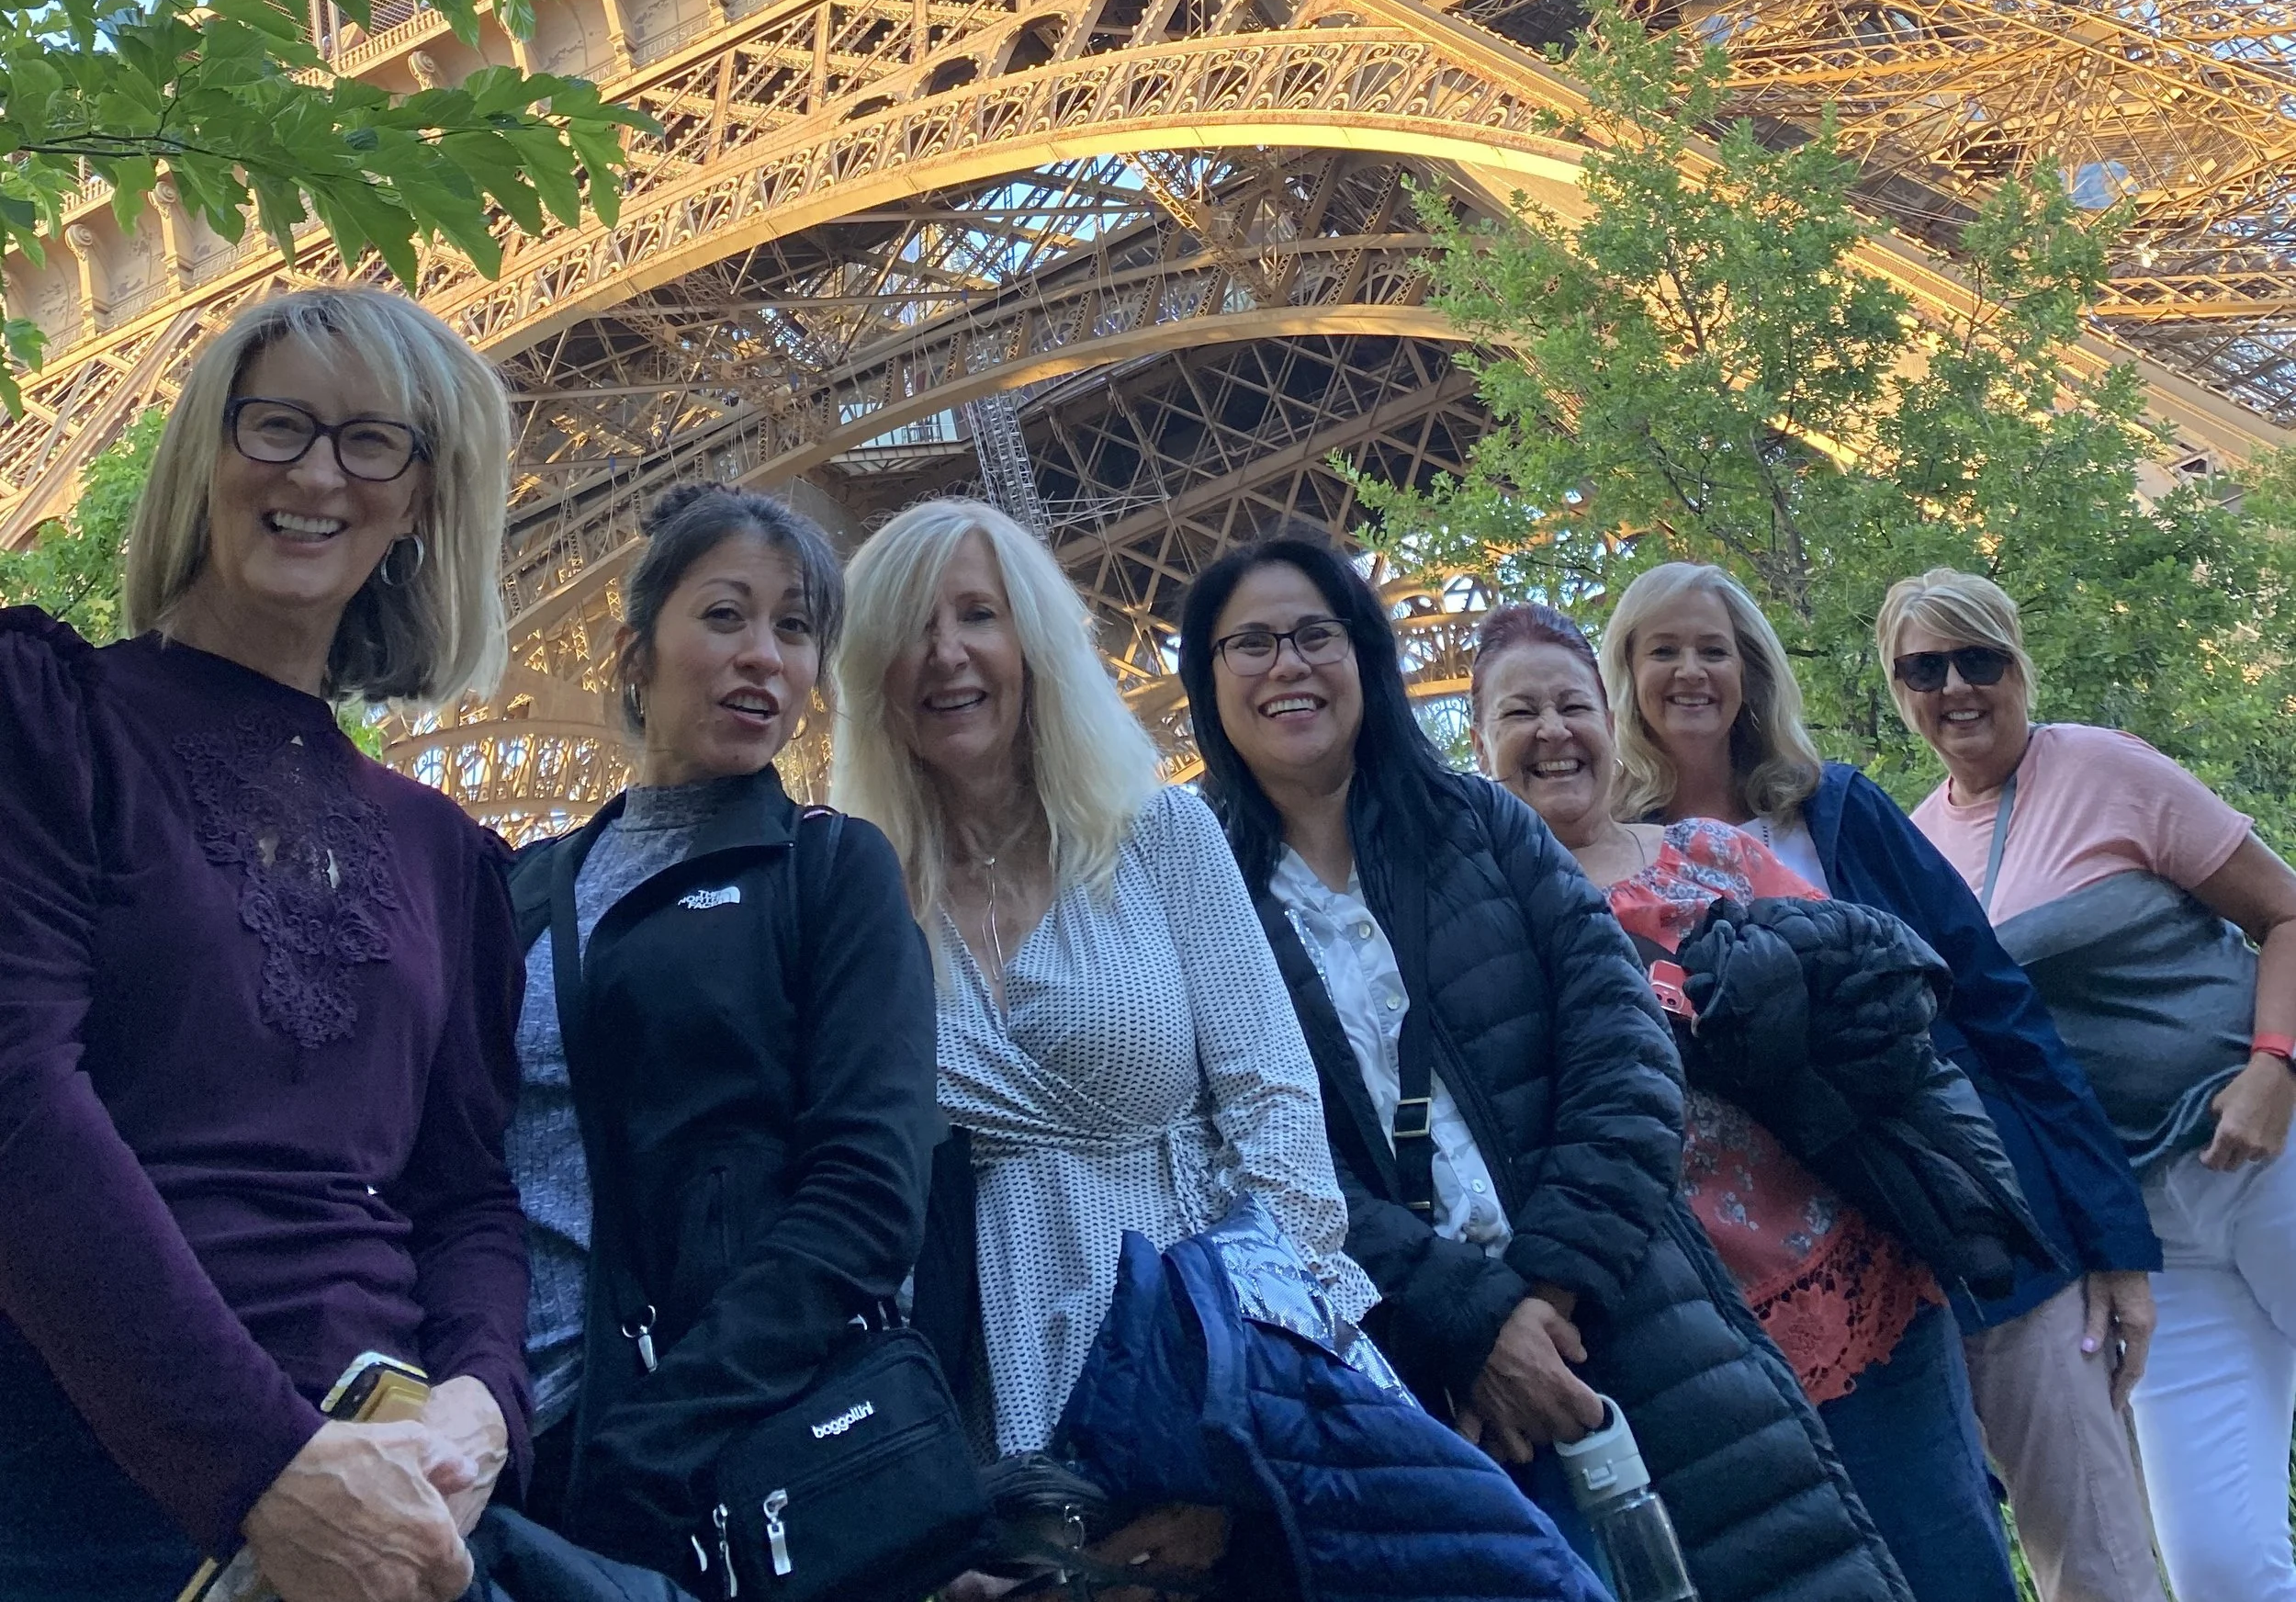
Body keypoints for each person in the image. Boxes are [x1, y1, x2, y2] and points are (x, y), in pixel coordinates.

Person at [1179, 528, 1917, 1602]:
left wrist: (1543, 1294)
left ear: (1365, 657)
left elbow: (1620, 1046)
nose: (1287, 665)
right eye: (1249, 644)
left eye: (1313, 635)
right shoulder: (1196, 899)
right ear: (1207, 684)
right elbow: (1245, 1156)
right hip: (1425, 1378)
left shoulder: (1480, 824)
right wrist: (1468, 1322)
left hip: (1622, 1315)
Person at [0, 284, 527, 1602]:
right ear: (206, 454)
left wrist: (482, 1397)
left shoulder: (441, 852)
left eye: (371, 444)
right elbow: (15, 1101)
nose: (314, 473)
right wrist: (263, 1468)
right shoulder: (53, 720)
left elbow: (461, 1192)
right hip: (104, 1472)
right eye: (276, 424)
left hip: (389, 1495)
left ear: (418, 504)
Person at [1602, 559, 2166, 1602]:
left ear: (1752, 670)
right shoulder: (1599, 863)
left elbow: (1998, 1011)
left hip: (1982, 1229)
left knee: (2097, 1563)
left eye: (1713, 648)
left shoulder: (1836, 811)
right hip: (1821, 1292)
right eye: (1661, 649)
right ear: (1623, 674)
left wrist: (2113, 1244)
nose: (1690, 672)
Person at [829, 497, 1381, 1461]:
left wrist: (1239, 1351)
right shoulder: (862, 906)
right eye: (911, 627)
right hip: (989, 1412)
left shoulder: (1160, 835)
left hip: (1216, 1362)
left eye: (976, 615)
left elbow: (1276, 1104)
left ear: (1035, 642)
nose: (945, 652)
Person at [1484, 601, 2012, 1602]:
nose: (1551, 731)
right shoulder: (1487, 944)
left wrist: (1771, 1002)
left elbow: (1885, 994)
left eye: (1571, 704)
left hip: (1853, 1274)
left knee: (1953, 1569)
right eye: (1518, 714)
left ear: (1609, 719)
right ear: (1480, 749)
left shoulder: (1708, 854)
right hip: (1684, 1353)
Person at [503, 486, 939, 1577]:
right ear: (634, 652)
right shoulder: (516, 889)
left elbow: (868, 1195)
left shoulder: (831, 870)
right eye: (725, 616)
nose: (764, 656)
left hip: (703, 1463)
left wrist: (652, 1440)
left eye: (795, 629)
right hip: (502, 1450)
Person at [1887, 565, 2296, 1602]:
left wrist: (2273, 1069)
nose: (1955, 688)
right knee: (2218, 1566)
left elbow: (2286, 913)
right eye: (1924, 668)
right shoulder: (1913, 844)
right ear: (1900, 691)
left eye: (1977, 658)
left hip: (2266, 1156)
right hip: (2148, 1233)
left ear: (2018, 664)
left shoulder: (2106, 769)